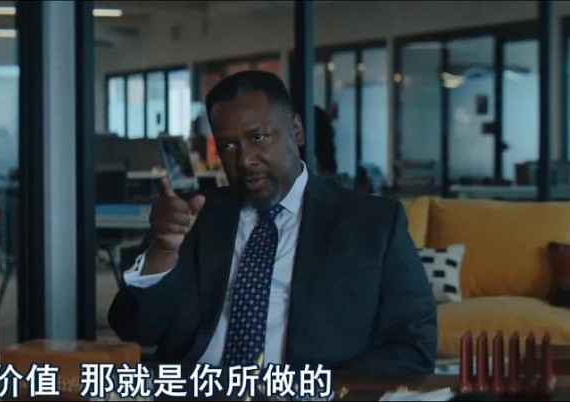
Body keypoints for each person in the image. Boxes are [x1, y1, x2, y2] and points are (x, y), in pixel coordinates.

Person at [108, 71, 436, 375]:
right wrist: (162, 251)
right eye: (228, 146)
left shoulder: (372, 223)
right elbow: (135, 330)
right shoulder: (195, 216)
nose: (245, 160)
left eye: (259, 137)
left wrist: (314, 390)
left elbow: (413, 347)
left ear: (296, 131)